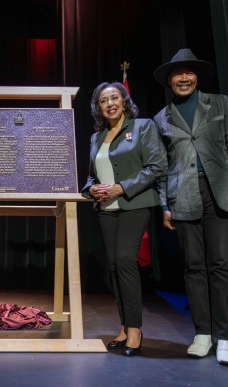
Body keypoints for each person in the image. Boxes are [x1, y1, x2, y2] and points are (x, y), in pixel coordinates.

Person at [153, 48, 228, 366]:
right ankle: (203, 334)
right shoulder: (161, 117)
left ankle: (226, 339)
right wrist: (164, 205)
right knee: (194, 268)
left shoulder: (220, 103)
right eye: (177, 74)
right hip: (183, 197)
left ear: (196, 76)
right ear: (170, 80)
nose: (184, 78)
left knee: (222, 265)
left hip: (219, 194)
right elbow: (161, 166)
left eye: (189, 73)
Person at [81, 82, 166, 357]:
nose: (110, 104)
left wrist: (122, 187)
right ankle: (123, 326)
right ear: (99, 107)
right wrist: (90, 189)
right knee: (114, 268)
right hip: (106, 209)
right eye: (104, 101)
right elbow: (92, 175)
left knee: (125, 261)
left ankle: (135, 330)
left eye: (114, 98)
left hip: (134, 205)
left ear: (124, 100)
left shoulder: (143, 127)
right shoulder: (97, 137)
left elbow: (157, 166)